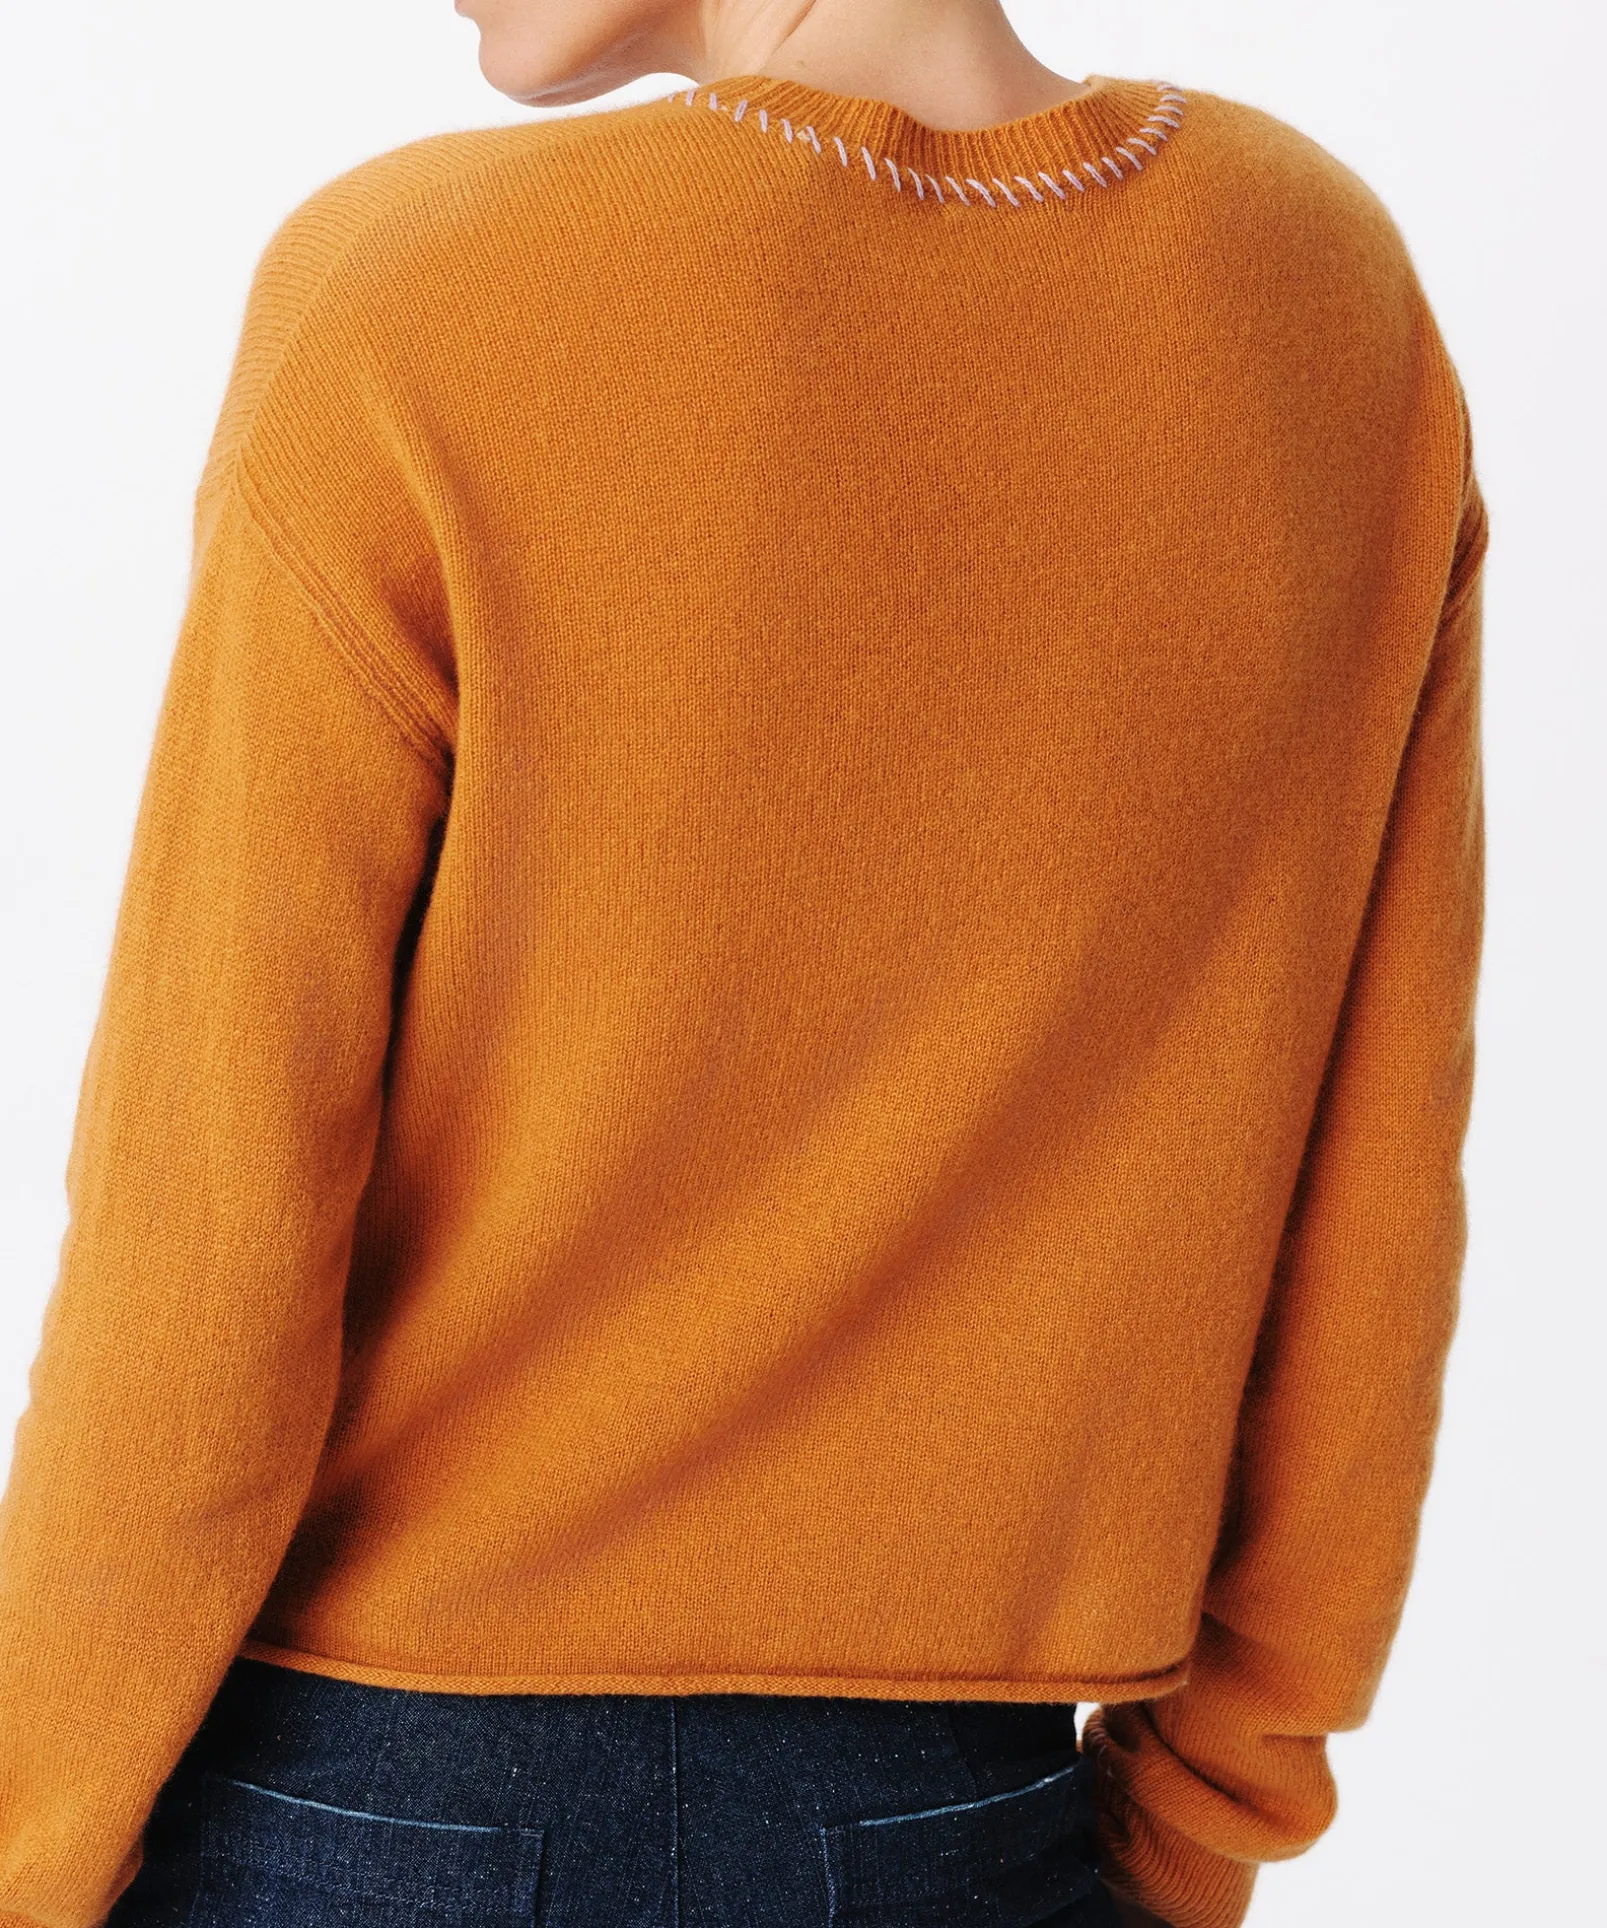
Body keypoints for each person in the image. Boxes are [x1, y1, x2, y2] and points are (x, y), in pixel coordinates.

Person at [0, 0, 1488, 1924]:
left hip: (371, 1804)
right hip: (966, 1825)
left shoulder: (421, 294)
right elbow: (1377, 1177)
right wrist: (1203, 1822)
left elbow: (204, 1219)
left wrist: (24, 1844)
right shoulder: (1324, 299)